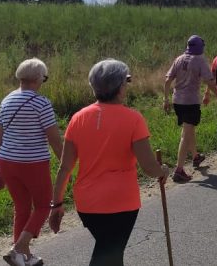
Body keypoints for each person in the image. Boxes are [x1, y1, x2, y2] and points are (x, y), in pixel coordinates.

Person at [49, 59, 169, 266]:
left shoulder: (78, 118)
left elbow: (65, 167)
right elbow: (149, 168)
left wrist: (57, 204)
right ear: (120, 87)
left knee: (111, 252)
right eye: (126, 82)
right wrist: (163, 170)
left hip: (87, 204)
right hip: (121, 203)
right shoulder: (133, 119)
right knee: (109, 254)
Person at [0, 58, 62, 266]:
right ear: (39, 78)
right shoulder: (41, 103)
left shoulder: (6, 100)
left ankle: (23, 258)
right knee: (43, 205)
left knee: (21, 207)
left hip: (7, 161)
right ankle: (18, 247)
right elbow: (54, 138)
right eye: (45, 78)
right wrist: (64, 163)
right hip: (32, 163)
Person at [163, 35, 217, 183]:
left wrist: (166, 99)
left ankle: (195, 157)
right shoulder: (200, 60)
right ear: (201, 47)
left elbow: (168, 79)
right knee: (185, 135)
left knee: (189, 129)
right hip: (191, 102)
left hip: (177, 101)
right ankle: (179, 170)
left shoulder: (179, 59)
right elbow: (210, 80)